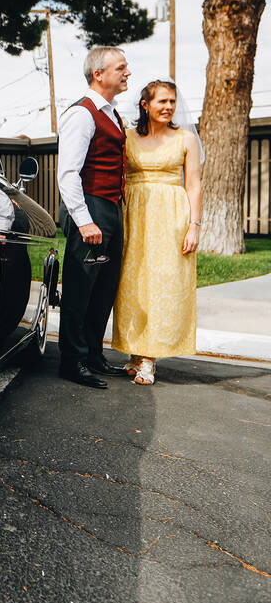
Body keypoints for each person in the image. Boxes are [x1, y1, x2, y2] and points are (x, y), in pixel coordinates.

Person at [111, 80, 203, 384]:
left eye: (172, 101)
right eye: (162, 101)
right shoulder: (128, 137)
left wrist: (194, 225)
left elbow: (193, 185)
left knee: (163, 285)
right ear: (145, 105)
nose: (168, 107)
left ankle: (149, 358)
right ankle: (135, 352)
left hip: (171, 217)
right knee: (133, 284)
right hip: (134, 216)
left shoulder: (186, 139)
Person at [55, 46, 133, 388]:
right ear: (98, 74)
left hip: (111, 208)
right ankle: (71, 361)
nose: (127, 73)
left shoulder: (113, 113)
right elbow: (68, 173)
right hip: (90, 207)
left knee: (104, 288)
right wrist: (85, 220)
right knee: (80, 289)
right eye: (121, 68)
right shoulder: (82, 113)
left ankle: (93, 355)